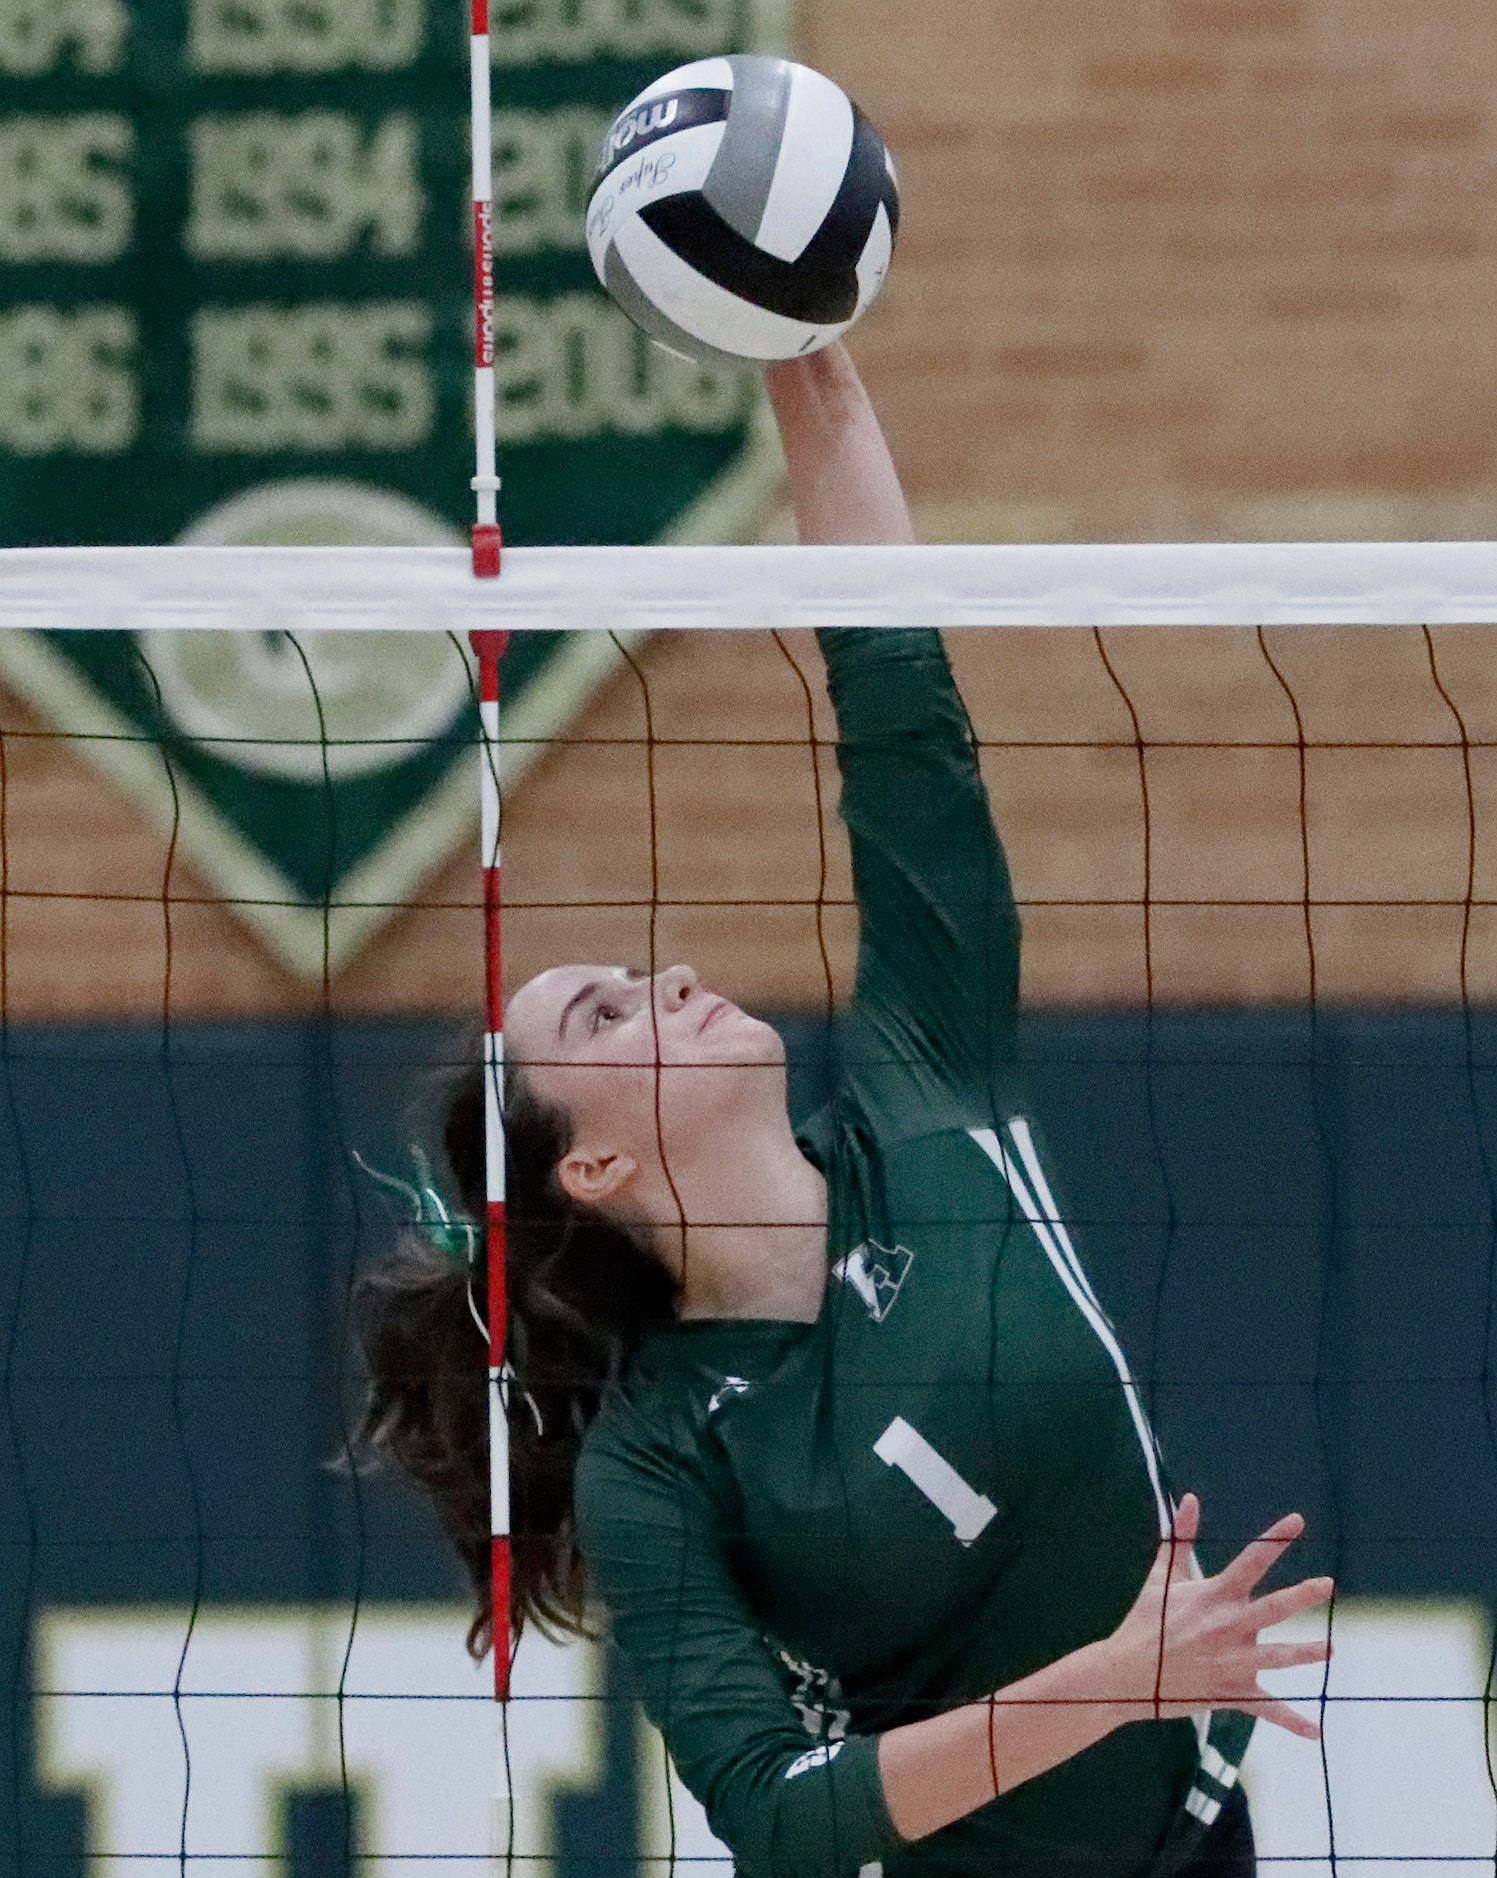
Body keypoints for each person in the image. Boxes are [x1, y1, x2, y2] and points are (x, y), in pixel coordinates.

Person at [353, 344, 1333, 1878]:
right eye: (603, 1013)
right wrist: (1118, 1679)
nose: (664, 973)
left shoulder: (927, 1091)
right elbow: (780, 1817)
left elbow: (898, 697)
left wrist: (811, 362)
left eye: (630, 969)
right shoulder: (663, 1456)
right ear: (593, 1161)